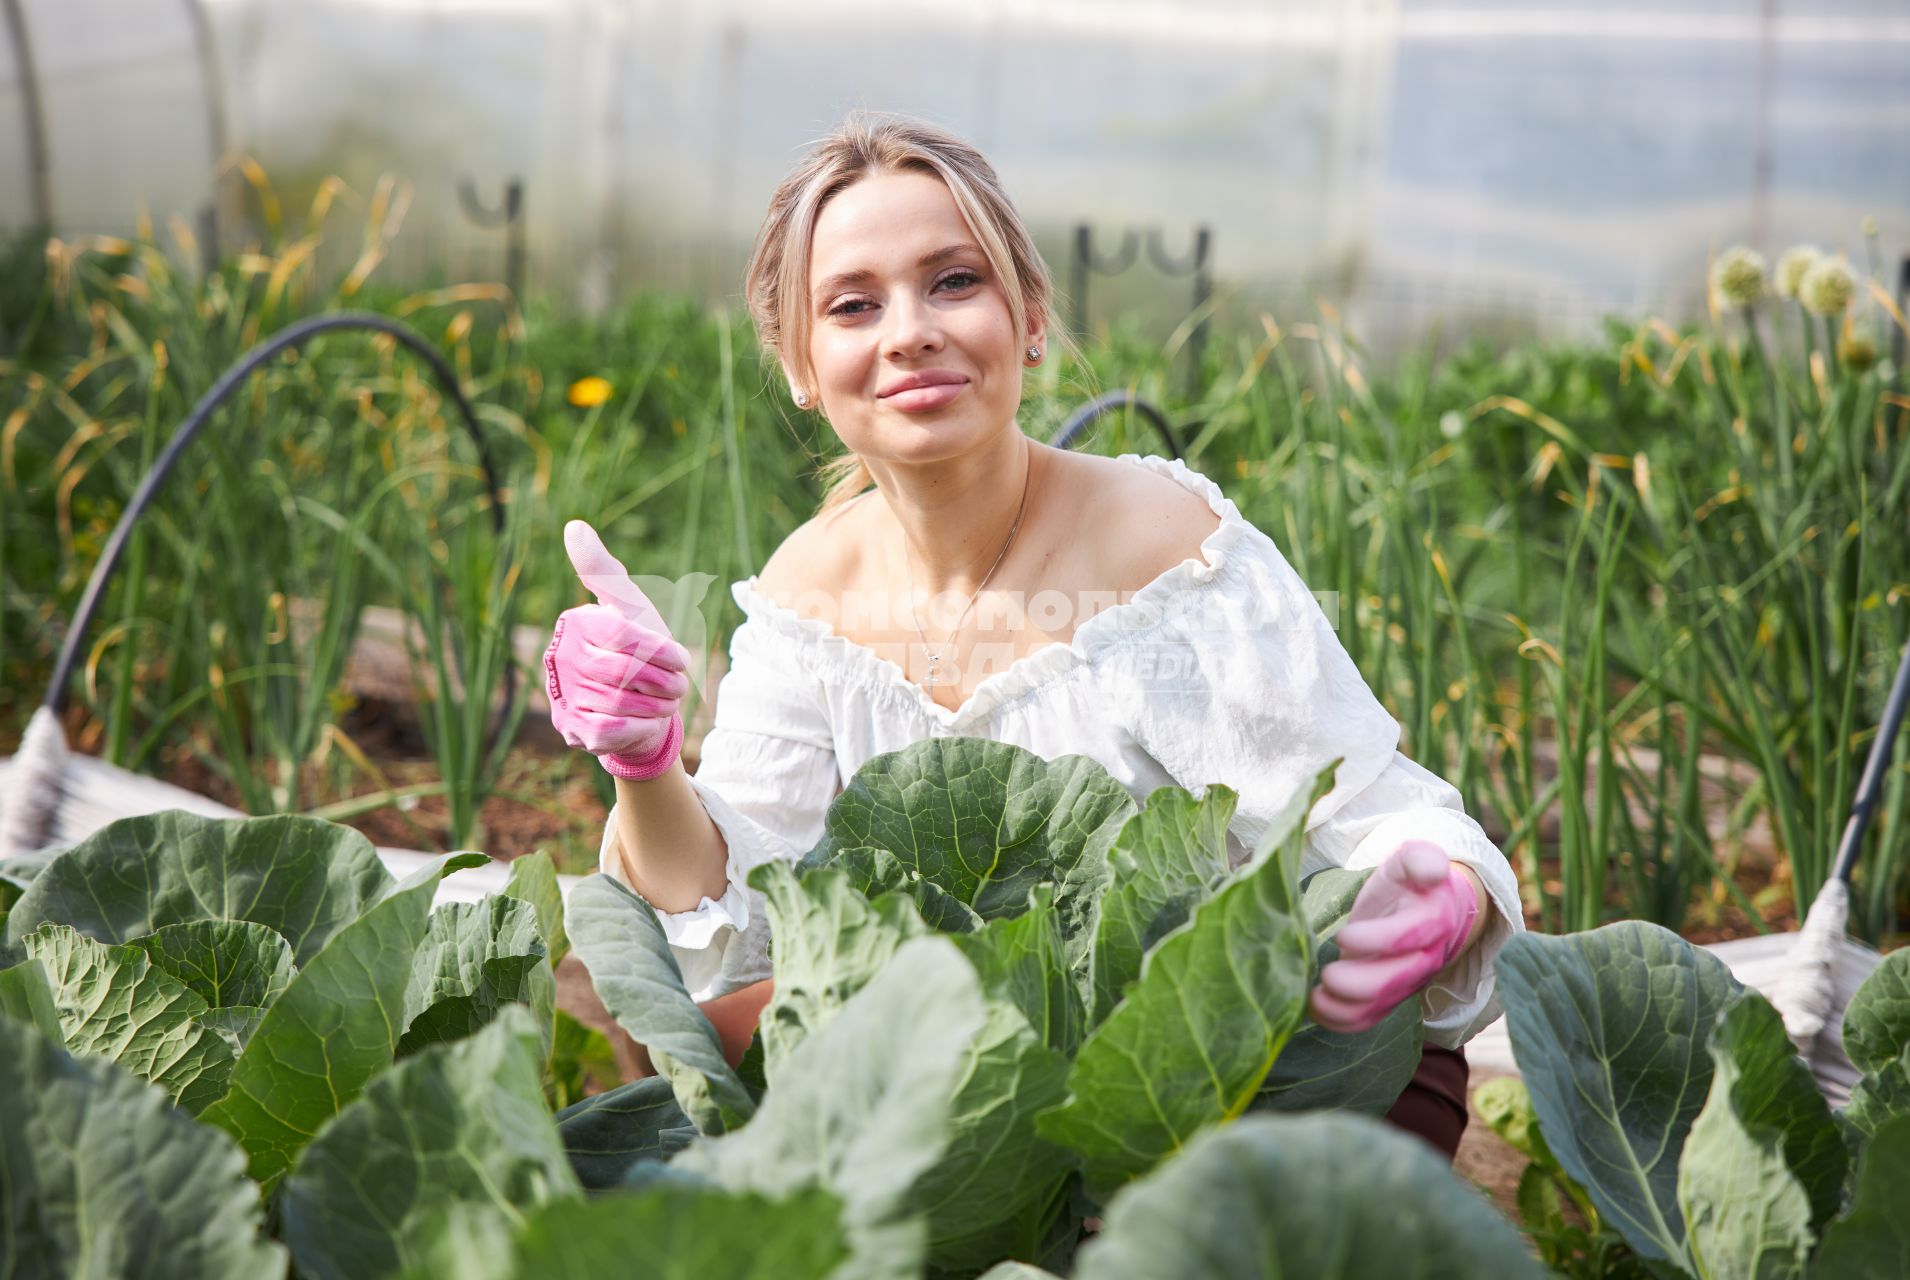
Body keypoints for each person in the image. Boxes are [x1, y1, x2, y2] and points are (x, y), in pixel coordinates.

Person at [541, 110, 1522, 1163]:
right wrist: (643, 761)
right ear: (799, 366)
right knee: (700, 1048)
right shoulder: (805, 592)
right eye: (853, 304)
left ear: (1032, 316)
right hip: (991, 1097)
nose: (909, 329)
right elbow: (738, 934)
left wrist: (1439, 884)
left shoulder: (1164, 545)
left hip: (1246, 1065)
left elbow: (1373, 817)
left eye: (953, 281)